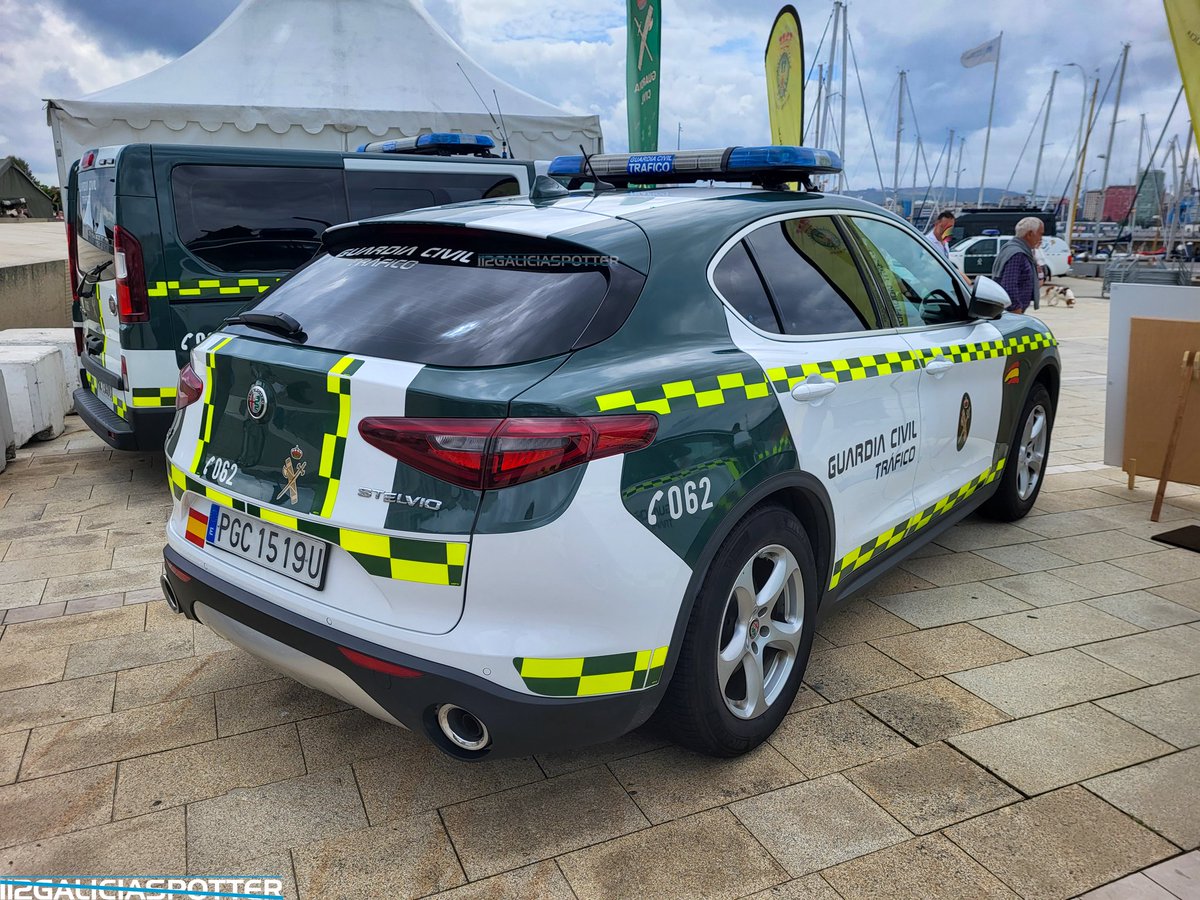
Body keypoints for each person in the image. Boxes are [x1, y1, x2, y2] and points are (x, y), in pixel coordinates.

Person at [992, 217, 1042, 314]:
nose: (1041, 238)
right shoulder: (1017, 254)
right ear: (1030, 234)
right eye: (1040, 234)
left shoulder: (1016, 250)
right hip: (1012, 312)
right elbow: (1009, 284)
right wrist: (1015, 309)